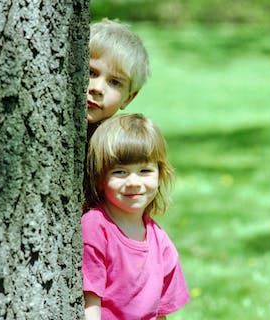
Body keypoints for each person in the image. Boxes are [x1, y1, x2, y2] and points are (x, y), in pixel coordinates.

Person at [82, 114, 190, 320]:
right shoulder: (95, 228)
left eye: (144, 170)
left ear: (160, 175)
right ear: (99, 179)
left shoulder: (160, 241)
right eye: (120, 172)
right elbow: (90, 304)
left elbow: (160, 314)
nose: (133, 182)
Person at [86, 19, 150, 137]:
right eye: (91, 72)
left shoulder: (117, 150)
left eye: (114, 82)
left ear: (128, 99)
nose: (98, 88)